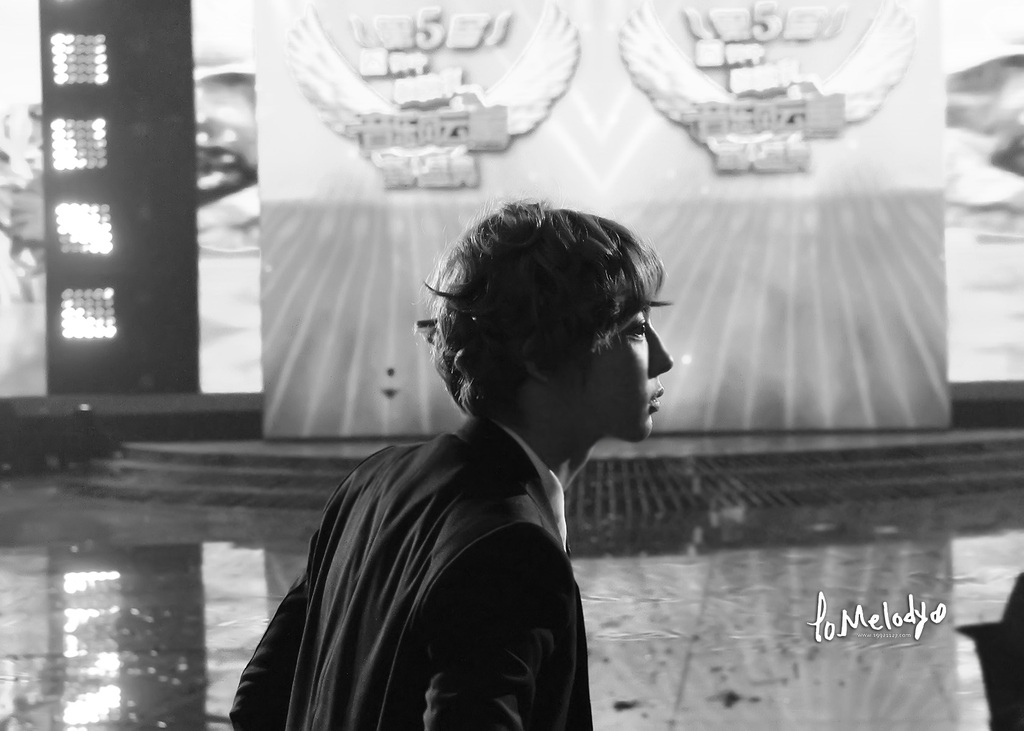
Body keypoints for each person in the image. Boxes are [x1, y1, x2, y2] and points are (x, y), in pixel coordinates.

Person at [230, 200, 674, 730]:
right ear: (539, 354)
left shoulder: (372, 482)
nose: (663, 359)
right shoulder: (514, 549)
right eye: (635, 329)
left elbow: (257, 702)